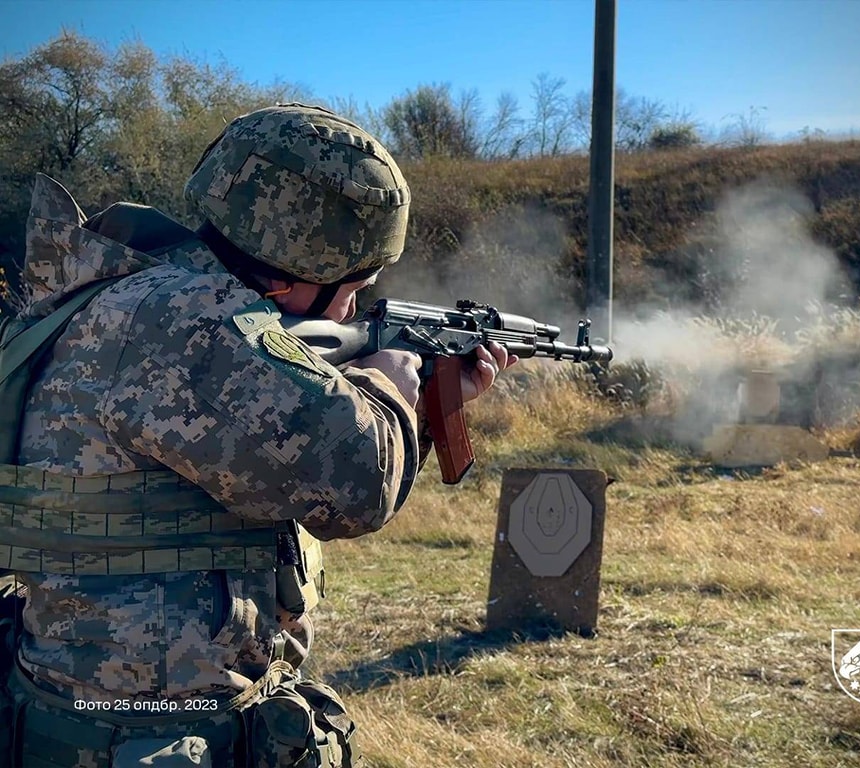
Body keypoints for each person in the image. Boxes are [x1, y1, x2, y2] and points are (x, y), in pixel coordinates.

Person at [0, 103, 516, 768]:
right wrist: (391, 383)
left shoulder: (123, 293)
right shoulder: (192, 322)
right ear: (288, 273)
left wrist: (424, 396)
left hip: (85, 716)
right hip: (154, 739)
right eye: (354, 285)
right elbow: (358, 484)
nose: (354, 307)